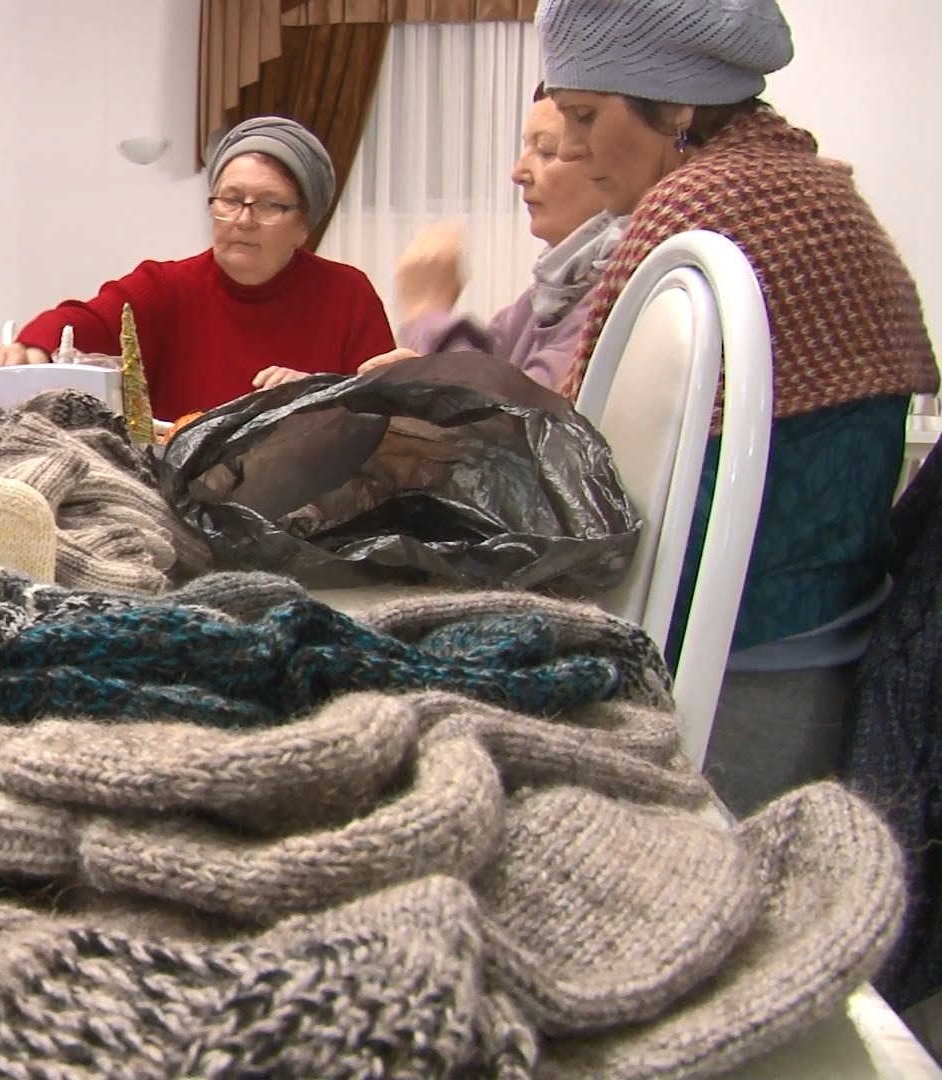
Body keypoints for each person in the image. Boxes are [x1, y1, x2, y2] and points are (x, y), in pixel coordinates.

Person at [538, 0, 939, 813]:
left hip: (725, 687)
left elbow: (589, 470)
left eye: (584, 115)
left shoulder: (699, 208)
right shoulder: (811, 189)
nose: (572, 148)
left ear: (676, 106)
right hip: (827, 650)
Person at [0, 116, 394, 420]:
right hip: (179, 495)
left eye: (268, 204)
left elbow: (381, 415)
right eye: (230, 199)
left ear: (303, 224)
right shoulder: (164, 287)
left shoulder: (347, 294)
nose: (243, 219)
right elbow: (79, 322)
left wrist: (317, 395)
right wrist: (30, 349)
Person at [376, 84, 618, 390]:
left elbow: (515, 415)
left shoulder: (613, 290)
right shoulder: (546, 293)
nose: (518, 173)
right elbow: (489, 368)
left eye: (546, 151)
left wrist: (426, 312)